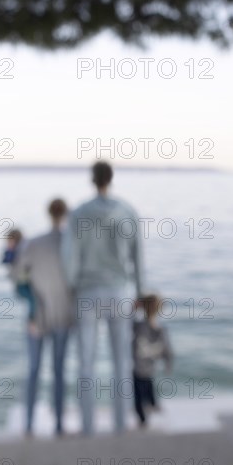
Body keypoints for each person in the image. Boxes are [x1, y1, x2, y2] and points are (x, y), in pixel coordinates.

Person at [62, 161, 144, 435]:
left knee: (85, 364)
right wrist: (141, 294)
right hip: (120, 292)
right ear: (111, 178)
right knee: (122, 362)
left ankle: (88, 427)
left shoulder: (78, 214)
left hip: (86, 293)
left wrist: (71, 288)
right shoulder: (128, 212)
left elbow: (68, 258)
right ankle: (121, 425)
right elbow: (138, 260)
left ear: (92, 180)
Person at [17, 199, 73, 436]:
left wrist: (32, 309)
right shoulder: (72, 244)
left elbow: (19, 280)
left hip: (37, 318)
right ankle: (59, 425)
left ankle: (28, 426)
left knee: (33, 371)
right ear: (66, 214)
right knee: (59, 371)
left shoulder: (32, 244)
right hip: (63, 316)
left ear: (48, 213)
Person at [132, 294, 173, 428]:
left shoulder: (138, 326)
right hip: (149, 368)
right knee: (148, 388)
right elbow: (167, 350)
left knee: (140, 394)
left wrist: (133, 309)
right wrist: (168, 364)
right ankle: (151, 408)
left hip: (138, 368)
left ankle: (143, 419)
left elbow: (125, 325)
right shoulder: (161, 329)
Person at [2, 229, 37, 320]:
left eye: (10, 241)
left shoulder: (21, 250)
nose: (8, 244)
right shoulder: (12, 251)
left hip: (25, 282)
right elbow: (6, 261)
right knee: (32, 300)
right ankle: (32, 319)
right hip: (22, 283)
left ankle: (32, 319)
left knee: (32, 300)